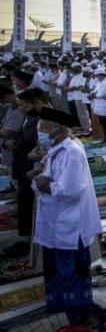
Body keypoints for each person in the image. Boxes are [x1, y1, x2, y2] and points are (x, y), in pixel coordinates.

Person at [32, 107, 102, 323]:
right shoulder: (57, 150)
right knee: (57, 266)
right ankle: (61, 305)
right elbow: (44, 179)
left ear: (59, 129)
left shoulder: (72, 152)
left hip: (70, 222)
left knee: (71, 267)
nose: (41, 133)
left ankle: (77, 313)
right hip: (56, 217)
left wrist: (44, 184)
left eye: (44, 128)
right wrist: (41, 181)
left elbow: (70, 191)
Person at [7, 87, 48, 236]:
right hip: (24, 164)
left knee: (31, 202)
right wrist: (8, 143)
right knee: (25, 201)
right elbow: (19, 137)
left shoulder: (41, 120)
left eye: (25, 105)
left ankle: (33, 234)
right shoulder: (29, 118)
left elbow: (32, 143)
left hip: (30, 166)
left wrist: (36, 167)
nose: (22, 109)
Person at [90, 68, 106, 143]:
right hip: (98, 106)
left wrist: (94, 94)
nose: (97, 77)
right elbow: (94, 91)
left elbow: (100, 94)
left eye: (98, 76)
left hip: (103, 107)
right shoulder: (99, 82)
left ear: (102, 75)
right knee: (102, 124)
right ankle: (105, 138)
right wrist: (93, 93)